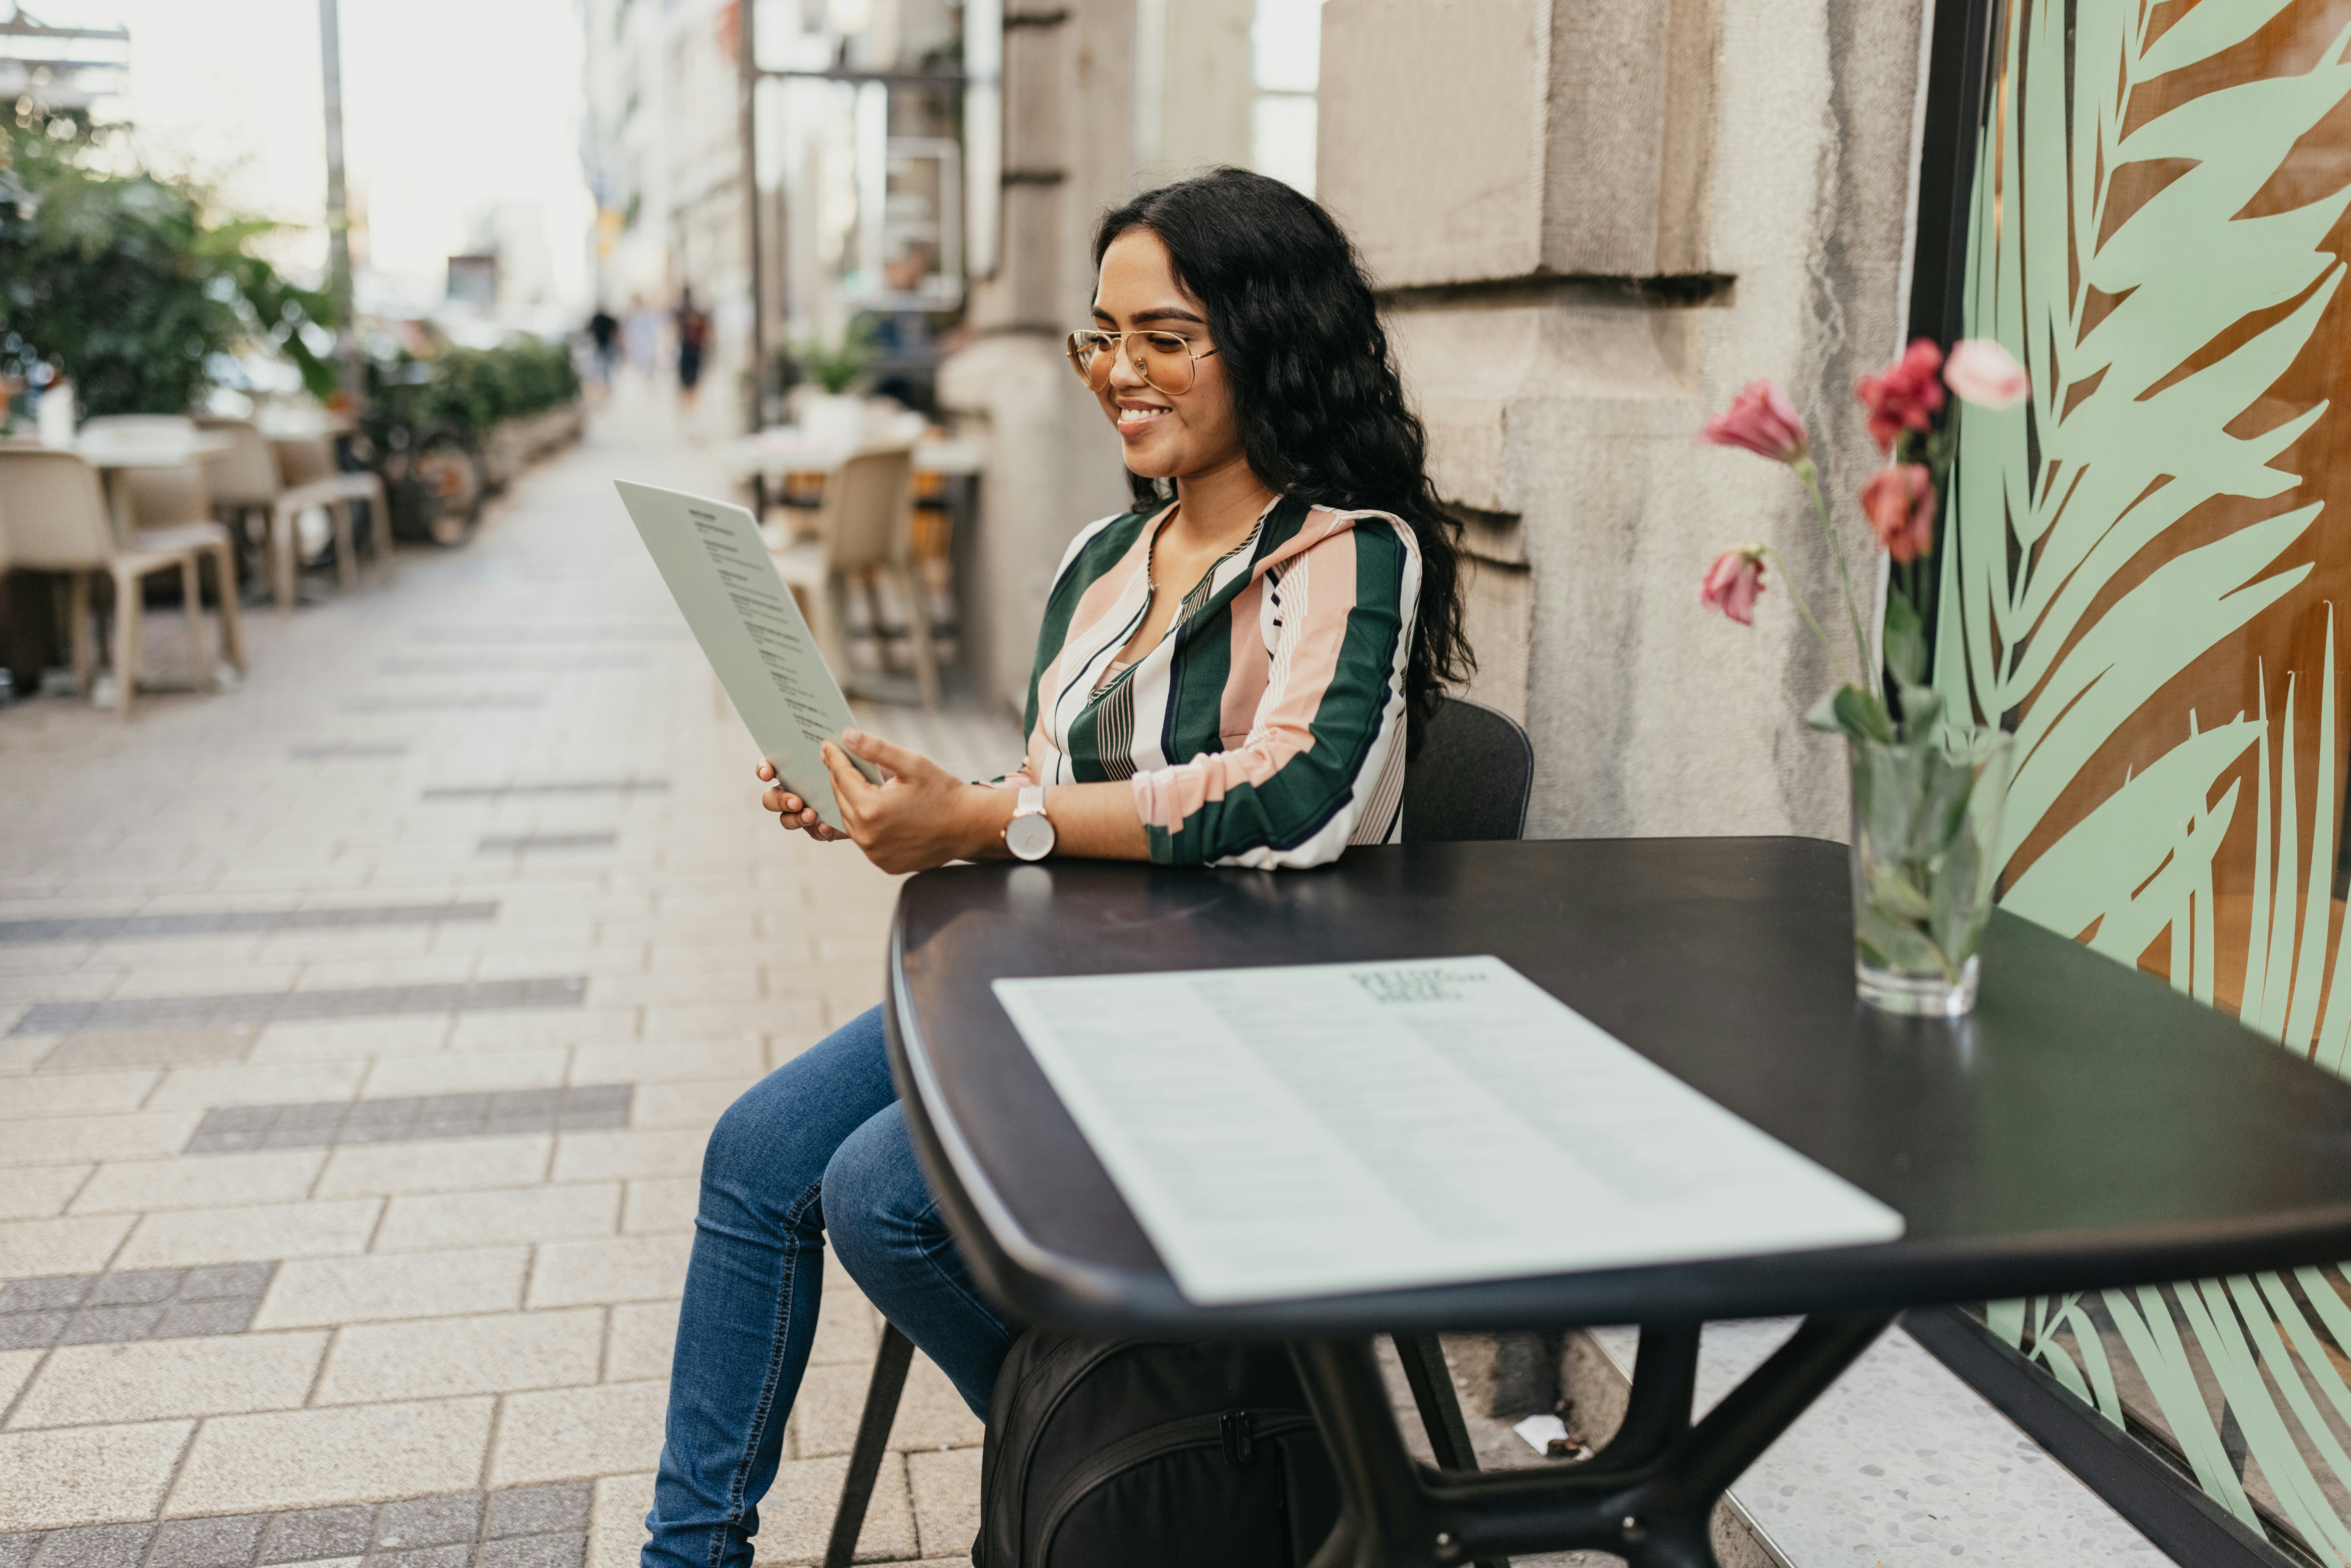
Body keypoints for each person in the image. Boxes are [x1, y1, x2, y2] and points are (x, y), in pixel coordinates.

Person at [642, 167, 1474, 1568]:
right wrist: (898, 797)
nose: (1121, 373)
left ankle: (1120, 1490)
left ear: (1268, 336)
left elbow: (1301, 794)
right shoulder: (1102, 557)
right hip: (1053, 974)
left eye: (1166, 335)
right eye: (1104, 335)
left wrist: (978, 822)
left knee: (885, 1196)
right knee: (761, 1153)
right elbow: (1044, 792)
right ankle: (697, 1555)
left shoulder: (1348, 554)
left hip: (1223, 1010)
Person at [675, 286, 710, 414]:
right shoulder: (693, 311)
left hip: (690, 350)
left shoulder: (682, 312)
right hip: (693, 350)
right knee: (690, 381)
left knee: (689, 381)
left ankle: (689, 409)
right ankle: (690, 408)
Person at [586, 304, 619, 391]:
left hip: (601, 345)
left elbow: (588, 330)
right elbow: (616, 331)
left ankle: (606, 384)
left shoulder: (596, 320)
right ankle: (608, 384)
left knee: (603, 367)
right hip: (608, 345)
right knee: (607, 366)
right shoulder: (609, 319)